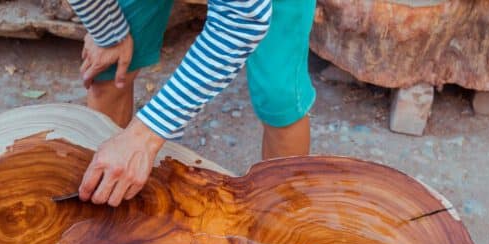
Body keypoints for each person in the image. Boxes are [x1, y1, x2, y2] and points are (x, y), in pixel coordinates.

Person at [69, 0, 316, 206]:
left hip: (249, 9)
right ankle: (104, 192)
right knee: (108, 69)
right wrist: (109, 32)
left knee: (278, 96)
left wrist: (144, 136)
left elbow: (242, 20)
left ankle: (279, 214)